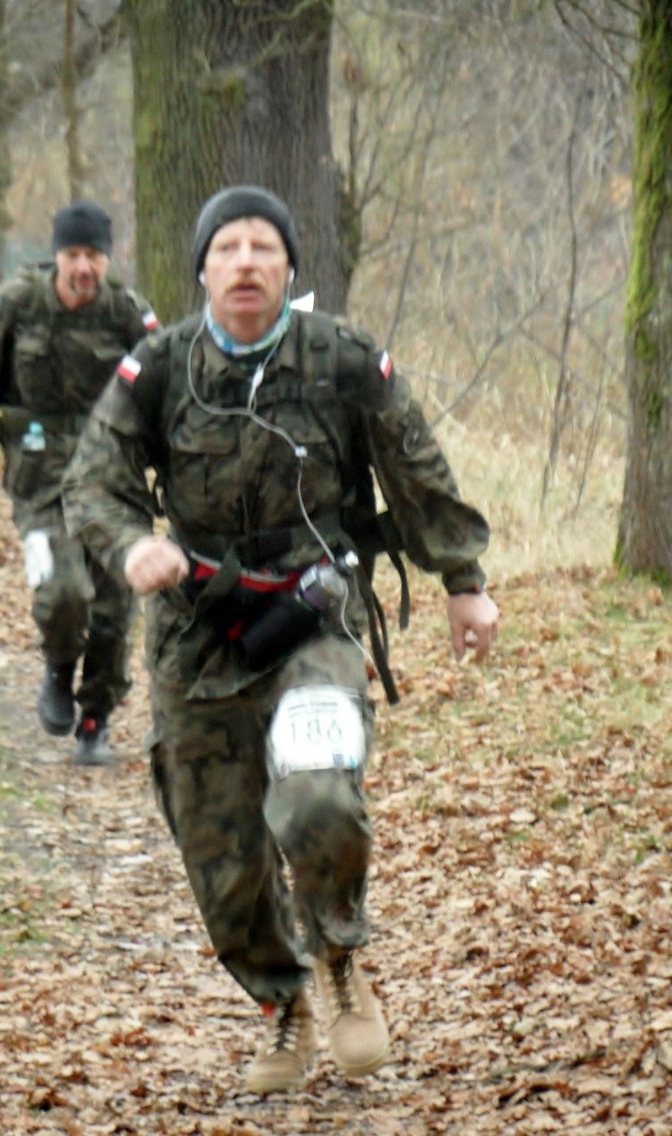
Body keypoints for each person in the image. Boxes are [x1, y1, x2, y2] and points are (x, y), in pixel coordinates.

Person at [62, 185, 499, 1091]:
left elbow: (414, 467)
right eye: (228, 248)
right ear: (203, 270)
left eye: (265, 246)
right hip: (197, 634)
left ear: (290, 265)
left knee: (316, 801)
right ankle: (283, 1005)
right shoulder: (161, 367)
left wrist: (464, 580)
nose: (247, 262)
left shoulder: (341, 359)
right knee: (220, 862)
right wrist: (135, 541)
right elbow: (92, 482)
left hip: (315, 617)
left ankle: (338, 957)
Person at [0, 200, 159, 764]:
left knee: (114, 607)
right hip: (39, 478)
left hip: (113, 475)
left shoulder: (128, 315)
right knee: (63, 591)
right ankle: (59, 667)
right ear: (57, 255)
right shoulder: (19, 302)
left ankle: (96, 719)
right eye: (74, 255)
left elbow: (164, 390)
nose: (84, 268)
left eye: (94, 256)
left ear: (107, 259)